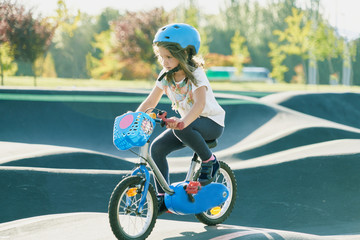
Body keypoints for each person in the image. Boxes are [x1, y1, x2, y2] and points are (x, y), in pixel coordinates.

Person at [136, 23, 225, 214]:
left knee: (183, 128)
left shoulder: (195, 74)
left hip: (211, 122)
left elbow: (199, 104)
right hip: (188, 125)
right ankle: (162, 197)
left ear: (184, 54)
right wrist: (135, 117)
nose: (165, 61)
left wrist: (183, 122)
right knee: (157, 148)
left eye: (169, 56)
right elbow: (151, 100)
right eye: (161, 56)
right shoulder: (165, 76)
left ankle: (210, 161)